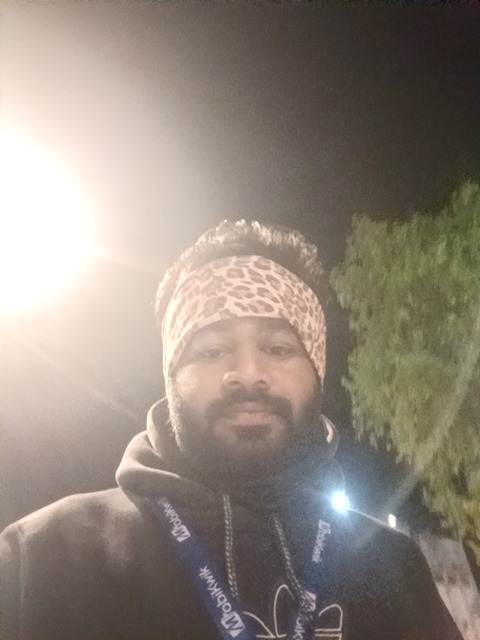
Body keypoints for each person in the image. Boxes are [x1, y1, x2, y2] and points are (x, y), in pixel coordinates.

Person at [0, 220, 461, 640]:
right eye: (211, 350)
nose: (247, 373)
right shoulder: (42, 559)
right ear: (171, 377)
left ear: (317, 373)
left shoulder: (394, 568)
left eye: (278, 348)